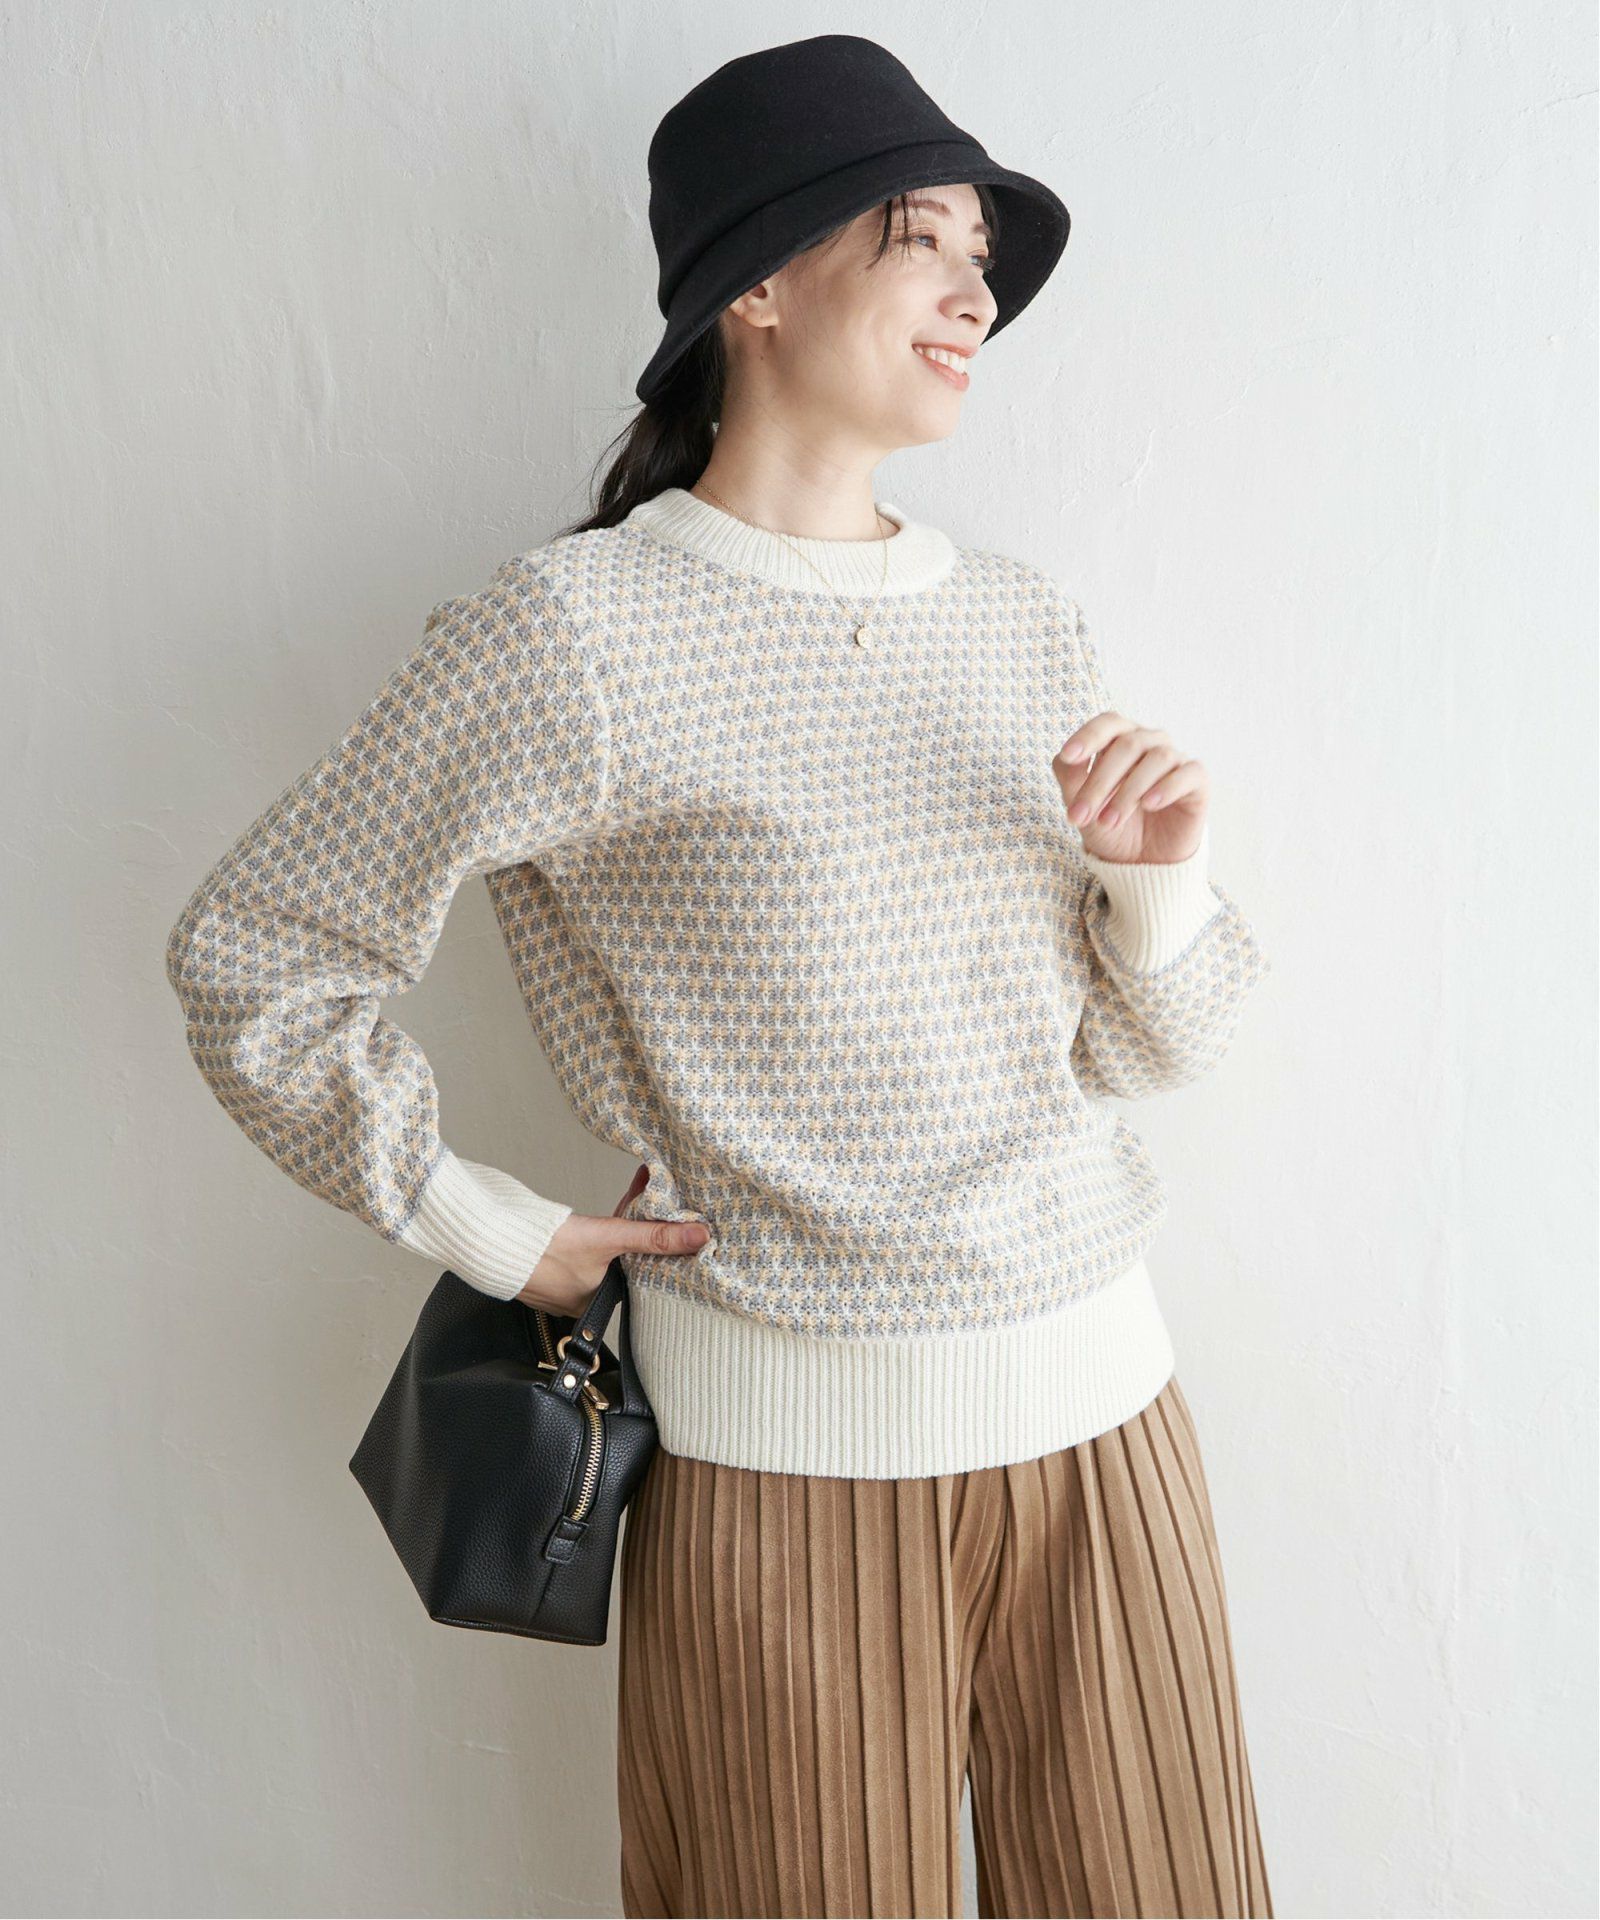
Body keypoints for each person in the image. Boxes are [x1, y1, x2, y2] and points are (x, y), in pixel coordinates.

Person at [164, 33, 1275, 1920]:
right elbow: (256, 954)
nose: (974, 291)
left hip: (1110, 1425)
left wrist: (1156, 892)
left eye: (982, 257)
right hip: (781, 1476)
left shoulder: (1020, 621)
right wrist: (486, 1225)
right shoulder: (574, 633)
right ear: (753, 286)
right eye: (921, 240)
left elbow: (1135, 1051)